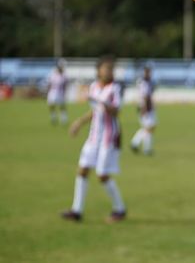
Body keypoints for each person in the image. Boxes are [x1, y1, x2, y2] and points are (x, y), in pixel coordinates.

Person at [61, 56, 126, 223]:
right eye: (106, 68)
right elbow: (94, 111)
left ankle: (120, 209)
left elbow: (116, 111)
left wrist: (104, 104)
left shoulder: (115, 88)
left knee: (102, 175)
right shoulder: (94, 87)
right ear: (99, 70)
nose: (109, 72)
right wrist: (79, 122)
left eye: (111, 69)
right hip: (94, 136)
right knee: (82, 170)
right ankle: (77, 210)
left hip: (108, 138)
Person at [131, 65, 157, 155]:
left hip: (147, 107)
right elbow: (145, 96)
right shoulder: (144, 82)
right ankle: (146, 149)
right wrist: (145, 109)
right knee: (148, 128)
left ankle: (135, 143)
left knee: (149, 127)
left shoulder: (148, 82)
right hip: (145, 107)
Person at [47, 60, 68, 125]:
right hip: (53, 91)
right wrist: (48, 91)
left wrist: (64, 92)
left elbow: (65, 84)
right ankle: (53, 117)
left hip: (60, 92)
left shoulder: (64, 75)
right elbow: (49, 83)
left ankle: (63, 119)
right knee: (51, 105)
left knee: (62, 106)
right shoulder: (53, 74)